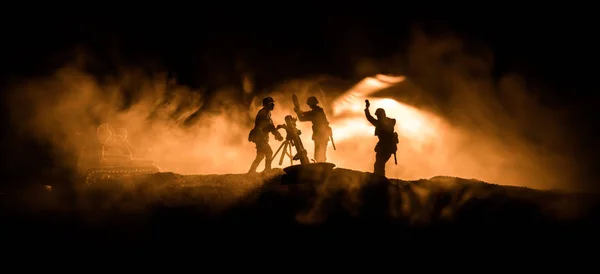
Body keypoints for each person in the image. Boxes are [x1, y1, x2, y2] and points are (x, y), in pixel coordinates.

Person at [248, 97, 284, 173]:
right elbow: (269, 126)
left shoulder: (267, 113)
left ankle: (251, 171)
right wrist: (278, 135)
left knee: (260, 156)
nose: (273, 105)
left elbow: (270, 126)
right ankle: (267, 169)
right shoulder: (262, 113)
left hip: (261, 137)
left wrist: (276, 133)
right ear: (267, 105)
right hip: (259, 137)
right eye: (271, 104)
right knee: (269, 152)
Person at [364, 99, 399, 176]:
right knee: (379, 164)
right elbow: (370, 118)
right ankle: (379, 177)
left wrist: (367, 109)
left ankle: (379, 178)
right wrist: (367, 109)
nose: (377, 117)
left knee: (379, 163)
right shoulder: (387, 123)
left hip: (385, 147)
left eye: (378, 115)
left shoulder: (382, 124)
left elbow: (370, 118)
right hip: (386, 147)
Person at [294, 96, 332, 162]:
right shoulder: (318, 110)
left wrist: (298, 112)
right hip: (323, 135)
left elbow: (302, 118)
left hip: (320, 136)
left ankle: (322, 168)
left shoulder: (316, 112)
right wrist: (299, 112)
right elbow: (305, 114)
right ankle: (321, 166)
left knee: (319, 154)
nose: (309, 106)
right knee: (320, 153)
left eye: (309, 104)